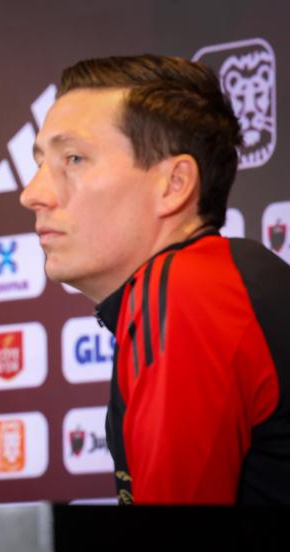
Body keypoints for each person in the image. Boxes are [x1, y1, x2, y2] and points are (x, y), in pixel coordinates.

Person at [20, 54, 290, 504]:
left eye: (74, 159)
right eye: (39, 163)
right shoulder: (206, 281)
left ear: (174, 184)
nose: (33, 194)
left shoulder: (188, 289)